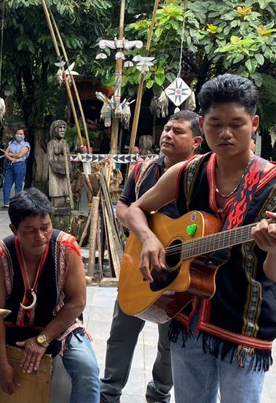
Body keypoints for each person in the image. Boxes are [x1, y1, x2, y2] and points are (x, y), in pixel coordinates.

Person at [125, 74, 276, 402]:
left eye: (236, 124)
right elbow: (135, 209)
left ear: (254, 123)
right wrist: (149, 239)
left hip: (245, 329)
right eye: (215, 124)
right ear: (202, 124)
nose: (225, 133)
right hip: (188, 317)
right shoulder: (187, 172)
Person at [0, 188, 100, 403]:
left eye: (45, 227)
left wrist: (42, 339)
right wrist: (2, 365)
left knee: (87, 367)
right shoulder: (0, 256)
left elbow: (77, 303)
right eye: (30, 230)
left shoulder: (66, 248)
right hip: (9, 323)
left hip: (56, 324)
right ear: (14, 229)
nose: (41, 237)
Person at [100, 110, 203, 403]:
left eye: (177, 131)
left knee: (171, 341)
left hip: (182, 272)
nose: (167, 134)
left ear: (196, 141)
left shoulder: (205, 177)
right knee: (121, 333)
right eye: (167, 128)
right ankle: (108, 394)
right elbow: (124, 206)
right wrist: (147, 236)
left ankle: (158, 395)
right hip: (140, 264)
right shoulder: (143, 169)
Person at [0, 128, 30, 208]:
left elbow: (20, 155)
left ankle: (17, 205)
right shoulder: (12, 143)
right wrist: (11, 158)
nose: (18, 135)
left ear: (24, 136)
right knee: (6, 184)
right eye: (17, 133)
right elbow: (6, 153)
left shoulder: (26, 145)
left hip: (20, 165)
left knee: (18, 186)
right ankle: (6, 203)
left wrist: (11, 154)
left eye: (21, 134)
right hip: (11, 164)